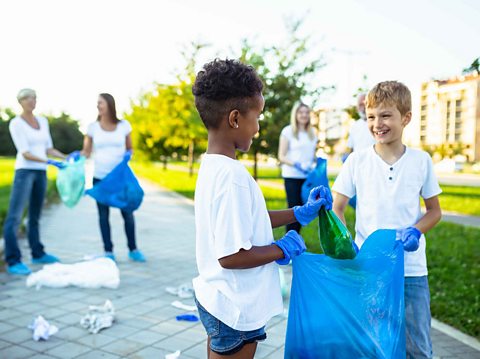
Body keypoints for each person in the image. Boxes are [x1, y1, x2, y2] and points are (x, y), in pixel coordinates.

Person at [191, 59, 332, 358]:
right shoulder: (233, 177)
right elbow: (230, 256)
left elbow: (246, 221)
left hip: (219, 299)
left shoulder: (214, 167)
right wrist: (282, 249)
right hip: (235, 309)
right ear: (235, 119)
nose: (258, 127)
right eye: (258, 117)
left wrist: (297, 213)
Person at [332, 81, 442, 359]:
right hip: (369, 268)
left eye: (385, 115)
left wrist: (416, 231)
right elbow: (337, 208)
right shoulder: (356, 161)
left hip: (411, 271)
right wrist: (346, 243)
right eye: (371, 116)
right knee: (372, 344)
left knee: (417, 347)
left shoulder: (421, 161)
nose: (377, 123)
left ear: (405, 118)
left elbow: (434, 210)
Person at [3, 88, 67, 275]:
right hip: (25, 171)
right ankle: (13, 260)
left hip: (40, 173)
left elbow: (48, 148)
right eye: (27, 98)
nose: (32, 101)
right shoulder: (16, 123)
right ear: (20, 101)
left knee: (35, 215)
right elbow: (26, 153)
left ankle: (37, 253)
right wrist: (50, 162)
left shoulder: (43, 121)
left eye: (34, 98)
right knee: (15, 217)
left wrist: (66, 157)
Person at [81, 93, 145, 262]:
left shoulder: (124, 125)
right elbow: (86, 152)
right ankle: (108, 251)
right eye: (97, 103)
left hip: (120, 178)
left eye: (100, 103)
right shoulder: (92, 127)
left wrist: (127, 156)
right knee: (103, 215)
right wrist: (73, 158)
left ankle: (133, 249)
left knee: (127, 212)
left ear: (109, 104)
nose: (97, 106)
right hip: (100, 178)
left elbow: (129, 148)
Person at [278, 102, 318, 233]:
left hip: (307, 177)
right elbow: (281, 156)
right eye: (301, 112)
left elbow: (311, 156)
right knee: (294, 210)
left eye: (306, 112)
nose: (304, 115)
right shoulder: (288, 131)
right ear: (295, 114)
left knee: (303, 210)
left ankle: (295, 239)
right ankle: (289, 241)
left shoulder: (312, 133)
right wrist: (296, 164)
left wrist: (317, 162)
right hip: (292, 176)